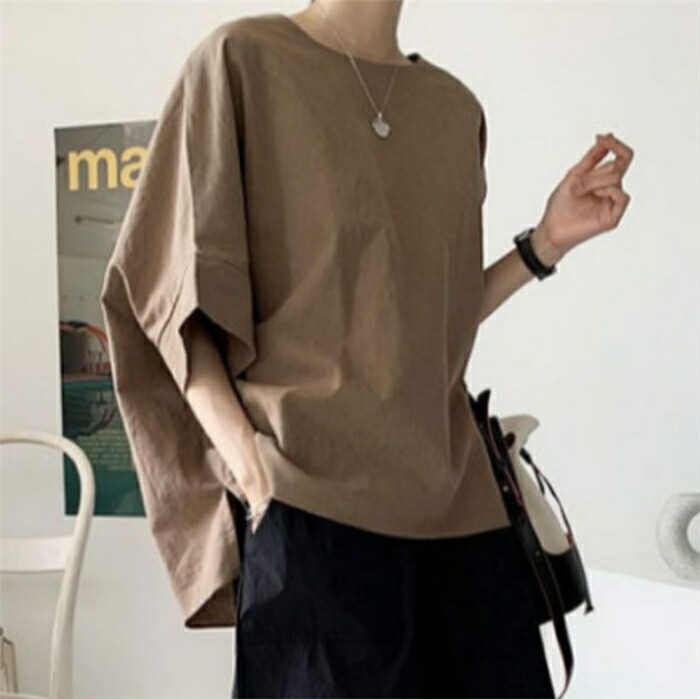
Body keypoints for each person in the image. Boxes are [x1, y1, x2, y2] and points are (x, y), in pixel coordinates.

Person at [100, 1, 633, 697]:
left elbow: (429, 322)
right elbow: (173, 300)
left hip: (460, 512)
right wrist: (251, 468)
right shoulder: (241, 61)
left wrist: (546, 242)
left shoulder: (453, 110)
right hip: (311, 510)